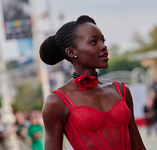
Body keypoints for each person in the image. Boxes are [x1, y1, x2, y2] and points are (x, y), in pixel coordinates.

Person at [40, 15, 146, 150]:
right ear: (71, 52)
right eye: (93, 42)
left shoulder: (120, 90)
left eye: (103, 40)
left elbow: (138, 146)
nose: (104, 46)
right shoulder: (57, 101)